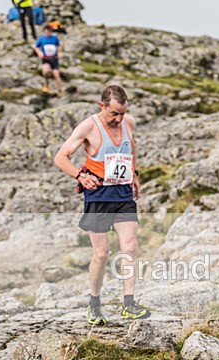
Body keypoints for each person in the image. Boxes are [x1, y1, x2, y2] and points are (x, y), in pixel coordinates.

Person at [54, 85, 151, 326]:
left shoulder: (129, 122)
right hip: (98, 196)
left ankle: (129, 303)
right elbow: (60, 157)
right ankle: (94, 303)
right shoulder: (89, 126)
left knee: (130, 247)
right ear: (102, 106)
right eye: (114, 114)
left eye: (122, 113)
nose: (118, 119)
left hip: (123, 195)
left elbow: (132, 146)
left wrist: (134, 174)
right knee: (102, 254)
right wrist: (79, 176)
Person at [34, 24, 63, 96]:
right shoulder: (41, 39)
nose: (47, 34)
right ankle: (46, 83)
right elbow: (36, 47)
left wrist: (60, 53)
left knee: (56, 74)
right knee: (45, 71)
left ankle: (59, 90)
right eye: (46, 32)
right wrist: (39, 53)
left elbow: (59, 46)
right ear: (44, 31)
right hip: (45, 58)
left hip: (54, 58)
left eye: (49, 32)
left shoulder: (54, 38)